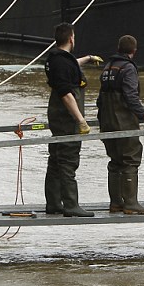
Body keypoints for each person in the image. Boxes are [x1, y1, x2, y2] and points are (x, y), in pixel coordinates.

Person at [97, 35, 144, 215]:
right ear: (134, 51)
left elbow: (100, 100)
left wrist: (102, 121)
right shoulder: (128, 68)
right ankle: (131, 203)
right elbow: (131, 96)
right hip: (124, 122)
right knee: (130, 159)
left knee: (114, 161)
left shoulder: (107, 68)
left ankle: (115, 202)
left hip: (107, 122)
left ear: (118, 48)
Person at [43, 22, 102, 217]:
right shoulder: (61, 63)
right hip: (66, 119)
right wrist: (81, 120)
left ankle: (53, 202)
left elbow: (69, 65)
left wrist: (88, 58)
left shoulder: (56, 59)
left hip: (57, 117)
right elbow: (67, 94)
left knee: (56, 159)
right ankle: (71, 205)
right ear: (71, 38)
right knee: (68, 160)